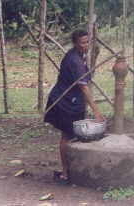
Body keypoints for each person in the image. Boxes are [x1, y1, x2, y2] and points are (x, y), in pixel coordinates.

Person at [44, 29, 105, 183]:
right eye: (83, 43)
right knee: (67, 135)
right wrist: (96, 111)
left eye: (87, 42)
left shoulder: (80, 55)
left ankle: (71, 170)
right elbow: (84, 87)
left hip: (73, 100)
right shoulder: (74, 60)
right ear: (75, 43)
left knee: (74, 135)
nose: (86, 45)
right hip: (63, 101)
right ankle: (65, 173)